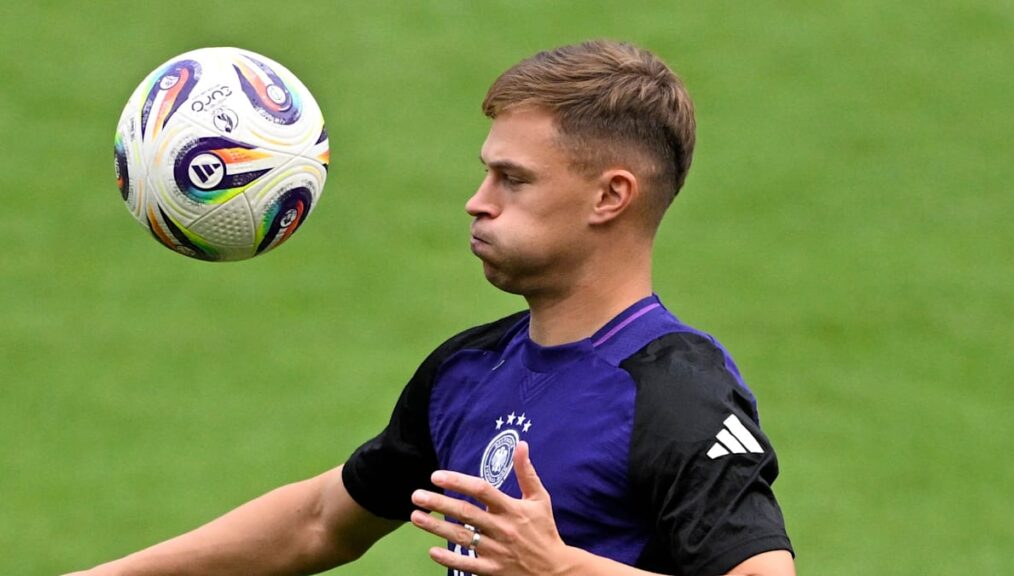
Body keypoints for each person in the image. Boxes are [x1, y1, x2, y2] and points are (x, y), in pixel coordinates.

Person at [69, 40, 795, 576]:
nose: (478, 202)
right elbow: (320, 522)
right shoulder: (469, 371)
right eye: (486, 173)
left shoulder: (678, 391)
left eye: (513, 179)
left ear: (610, 196)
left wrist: (561, 568)